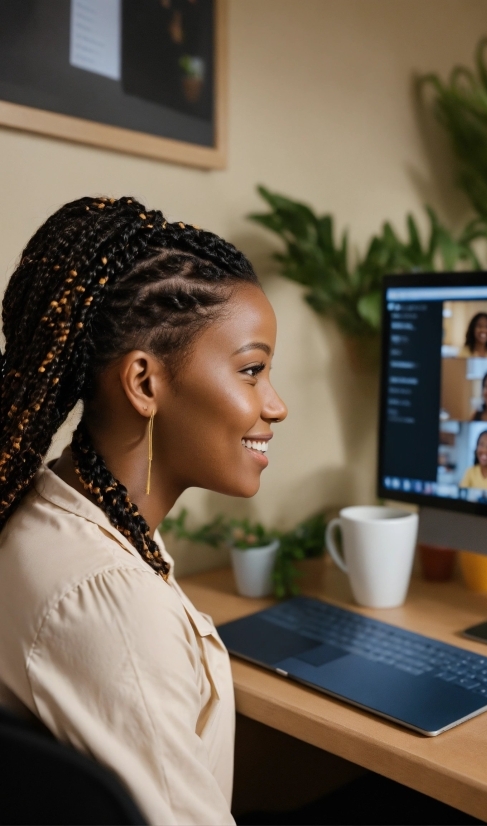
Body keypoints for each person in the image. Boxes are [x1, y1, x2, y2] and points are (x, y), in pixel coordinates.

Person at [0, 196, 287, 825]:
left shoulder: (44, 512)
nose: (275, 405)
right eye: (252, 370)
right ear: (144, 383)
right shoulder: (112, 603)